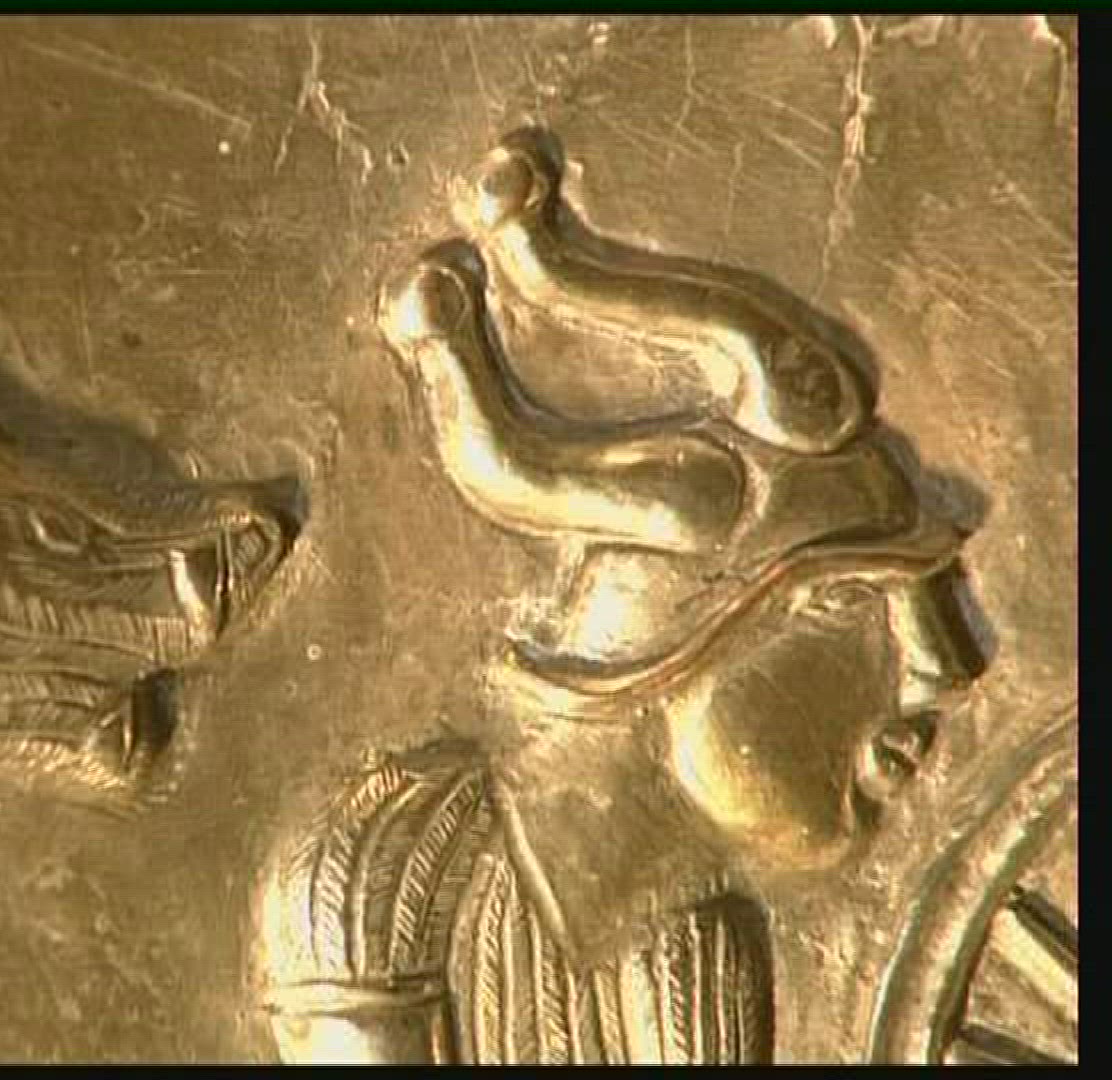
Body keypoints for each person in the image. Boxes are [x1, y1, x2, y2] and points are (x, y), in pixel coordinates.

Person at [257, 135, 986, 1064]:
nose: (941, 668)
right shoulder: (383, 876)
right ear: (673, 640)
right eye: (844, 601)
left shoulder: (703, 948)